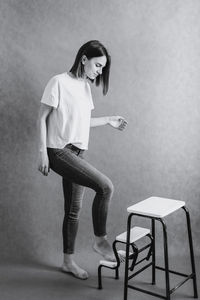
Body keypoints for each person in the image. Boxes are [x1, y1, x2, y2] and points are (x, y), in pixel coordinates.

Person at [38, 40, 127, 280]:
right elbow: (42, 118)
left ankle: (68, 262)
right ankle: (100, 240)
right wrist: (42, 152)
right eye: (98, 65)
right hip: (58, 151)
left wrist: (108, 119)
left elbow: (82, 122)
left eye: (102, 68)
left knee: (73, 211)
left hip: (77, 153)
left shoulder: (85, 87)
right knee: (105, 186)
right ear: (84, 58)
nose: (99, 72)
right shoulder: (58, 82)